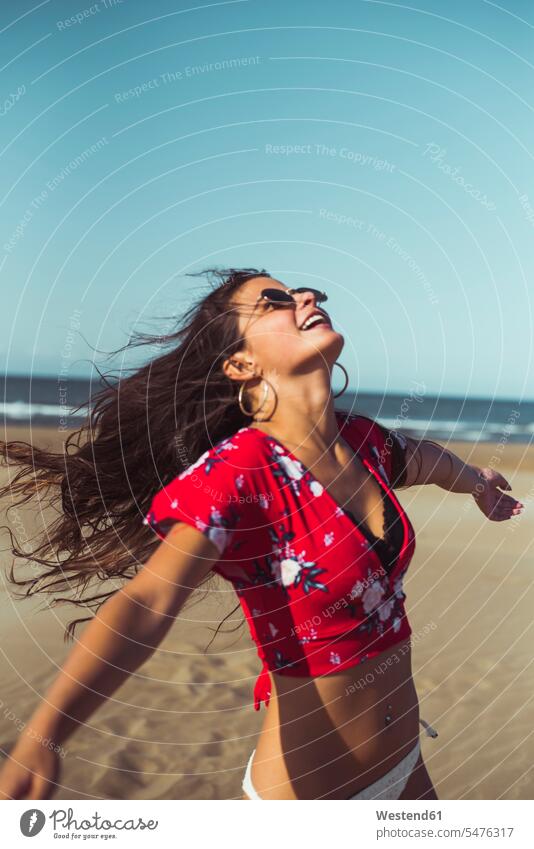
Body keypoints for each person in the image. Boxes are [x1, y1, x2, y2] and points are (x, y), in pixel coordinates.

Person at [0, 268, 523, 801]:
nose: (306, 298)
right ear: (241, 364)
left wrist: (478, 483)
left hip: (406, 772)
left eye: (306, 293)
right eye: (276, 301)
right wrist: (46, 735)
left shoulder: (363, 440)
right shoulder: (243, 470)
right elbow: (148, 600)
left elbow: (423, 458)